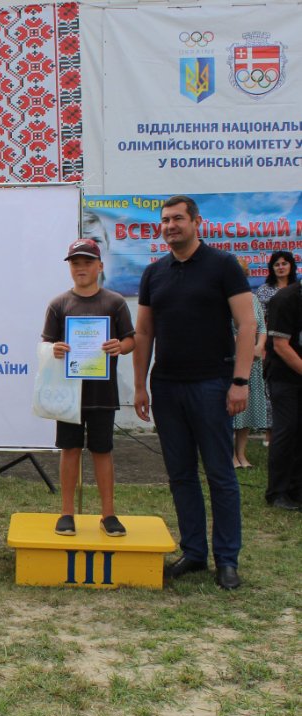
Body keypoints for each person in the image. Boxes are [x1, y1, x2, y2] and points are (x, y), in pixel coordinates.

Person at [133, 195, 255, 590]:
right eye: (165, 220)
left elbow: (247, 325)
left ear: (196, 222)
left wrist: (240, 381)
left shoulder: (224, 265)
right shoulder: (154, 273)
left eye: (178, 219)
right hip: (167, 387)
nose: (170, 226)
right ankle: (194, 553)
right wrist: (140, 385)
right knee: (181, 475)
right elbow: (144, 332)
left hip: (212, 385)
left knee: (220, 474)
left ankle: (227, 559)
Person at [42, 238, 136, 537]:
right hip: (69, 393)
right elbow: (46, 344)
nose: (81, 268)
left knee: (102, 450)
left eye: (87, 262)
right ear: (69, 267)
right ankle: (66, 512)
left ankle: (108, 514)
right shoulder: (59, 304)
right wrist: (55, 349)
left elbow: (131, 340)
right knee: (69, 449)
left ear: (100, 266)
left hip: (102, 393)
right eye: (75, 263)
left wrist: (120, 346)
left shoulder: (114, 302)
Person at [263, 280, 302, 511]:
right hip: (284, 376)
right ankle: (277, 492)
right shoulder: (285, 299)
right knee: (286, 430)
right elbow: (280, 345)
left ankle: (296, 489)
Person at [254, 251, 298, 446]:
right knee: (272, 393)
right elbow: (259, 321)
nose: (281, 267)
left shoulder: (297, 289)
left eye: (284, 263)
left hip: (295, 346)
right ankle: (270, 435)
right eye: (277, 264)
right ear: (271, 268)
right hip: (272, 346)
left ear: (291, 266)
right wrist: (262, 346)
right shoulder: (264, 291)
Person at [232, 259, 267, 469]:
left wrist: (259, 346)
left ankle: (241, 454)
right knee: (231, 410)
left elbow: (261, 327)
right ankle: (230, 456)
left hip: (252, 362)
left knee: (247, 408)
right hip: (232, 361)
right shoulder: (222, 299)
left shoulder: (253, 299)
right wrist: (242, 345)